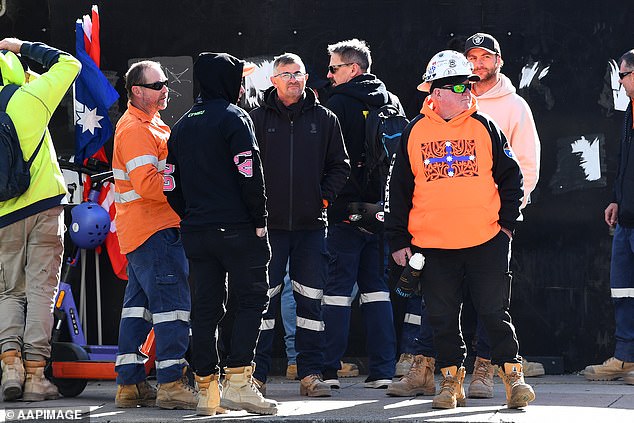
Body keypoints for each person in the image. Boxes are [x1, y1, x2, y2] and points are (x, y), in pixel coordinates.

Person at [385, 50, 535, 409]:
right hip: (433, 246)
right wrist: (398, 239)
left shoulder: (485, 125)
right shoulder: (414, 132)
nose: (468, 90)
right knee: (440, 318)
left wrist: (508, 227)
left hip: (486, 241)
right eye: (457, 85)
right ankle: (451, 382)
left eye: (469, 84)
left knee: (494, 313)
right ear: (435, 93)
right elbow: (398, 190)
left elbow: (512, 177)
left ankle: (514, 379)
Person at [165, 52, 277, 415]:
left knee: (205, 310)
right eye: (238, 79)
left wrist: (191, 215)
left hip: (197, 233)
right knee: (251, 302)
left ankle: (206, 392)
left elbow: (168, 182)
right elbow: (249, 170)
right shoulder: (235, 117)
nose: (243, 87)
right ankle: (240, 384)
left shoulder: (181, 124)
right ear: (227, 82)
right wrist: (259, 218)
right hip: (238, 231)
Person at [249, 52, 350, 397]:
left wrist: (321, 200)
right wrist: (256, 210)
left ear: (307, 78)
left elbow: (341, 166)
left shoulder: (325, 120)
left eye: (298, 73)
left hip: (310, 228)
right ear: (273, 81)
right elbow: (243, 170)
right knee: (264, 303)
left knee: (310, 303)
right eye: (285, 74)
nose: (293, 79)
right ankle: (255, 376)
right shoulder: (257, 120)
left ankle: (310, 374)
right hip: (269, 229)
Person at [463, 32, 543, 398]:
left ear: (499, 60)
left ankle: (484, 367)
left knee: (490, 299)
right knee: (442, 293)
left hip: (493, 221)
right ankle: (432, 365)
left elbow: (527, 164)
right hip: (447, 219)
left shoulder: (516, 106)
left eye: (485, 58)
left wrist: (509, 216)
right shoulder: (450, 100)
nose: (478, 65)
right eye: (472, 58)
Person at [0, 37, 80, 402]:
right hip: (45, 209)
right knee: (41, 291)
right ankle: (35, 376)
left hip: (3, 217)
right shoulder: (31, 97)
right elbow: (70, 64)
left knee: (8, 292)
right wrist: (22, 46)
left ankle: (10, 367)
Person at [112, 60, 196, 410]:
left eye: (165, 83)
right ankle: (172, 383)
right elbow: (149, 184)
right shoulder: (135, 129)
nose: (166, 88)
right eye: (158, 84)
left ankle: (130, 385)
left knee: (138, 309)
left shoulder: (151, 125)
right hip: (156, 229)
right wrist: (189, 186)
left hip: (144, 231)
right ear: (137, 90)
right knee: (172, 308)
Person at [321, 38, 398, 389]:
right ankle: (383, 370)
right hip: (381, 211)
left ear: (353, 69)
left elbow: (329, 159)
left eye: (334, 67)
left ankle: (326, 370)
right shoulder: (391, 100)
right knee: (377, 289)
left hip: (344, 210)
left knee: (337, 289)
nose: (328, 73)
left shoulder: (336, 104)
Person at [584, 49, 634, 385]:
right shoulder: (630, 110)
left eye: (624, 74)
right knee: (623, 290)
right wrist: (616, 199)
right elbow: (623, 160)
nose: (619, 81)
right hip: (627, 220)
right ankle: (626, 358)